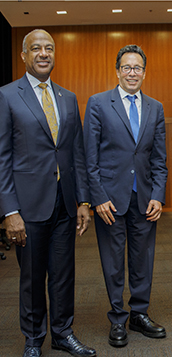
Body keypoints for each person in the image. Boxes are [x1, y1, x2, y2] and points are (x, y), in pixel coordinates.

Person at [0, 29, 96, 357]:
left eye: (49, 48)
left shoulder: (68, 97)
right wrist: (9, 211)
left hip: (66, 203)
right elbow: (2, 157)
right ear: (24, 56)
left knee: (63, 273)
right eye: (36, 48)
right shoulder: (7, 95)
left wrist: (83, 200)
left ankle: (62, 333)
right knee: (31, 277)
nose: (44, 53)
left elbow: (76, 153)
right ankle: (32, 339)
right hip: (27, 206)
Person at [83, 44, 168, 347]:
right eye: (127, 67)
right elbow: (88, 157)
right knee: (114, 262)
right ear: (117, 71)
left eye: (138, 68)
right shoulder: (98, 104)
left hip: (144, 198)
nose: (132, 73)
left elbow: (159, 158)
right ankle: (118, 318)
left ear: (145, 72)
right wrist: (97, 197)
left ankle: (139, 314)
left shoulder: (155, 107)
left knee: (143, 259)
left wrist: (158, 195)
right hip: (109, 199)